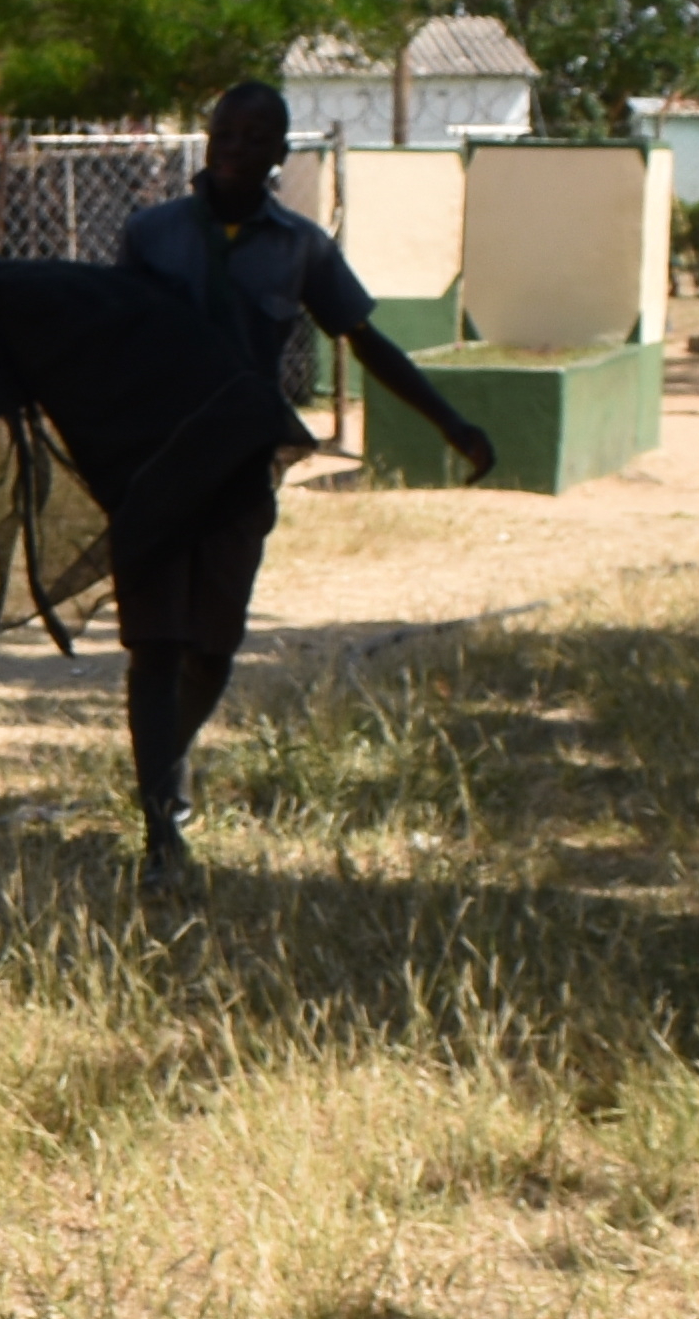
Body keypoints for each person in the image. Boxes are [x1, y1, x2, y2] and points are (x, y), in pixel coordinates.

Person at [113, 82, 500, 877]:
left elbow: (368, 341)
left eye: (260, 137)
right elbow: (103, 338)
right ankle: (161, 829)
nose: (240, 147)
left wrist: (450, 421)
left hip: (239, 471)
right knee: (154, 643)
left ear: (280, 156)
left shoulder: (300, 247)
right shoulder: (149, 235)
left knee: (211, 646)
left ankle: (166, 766)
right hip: (152, 468)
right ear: (208, 137)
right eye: (229, 130)